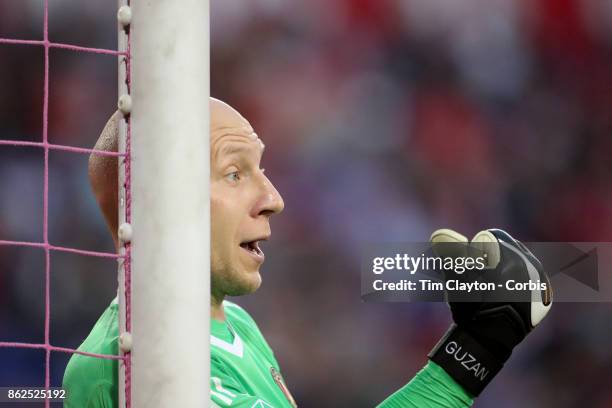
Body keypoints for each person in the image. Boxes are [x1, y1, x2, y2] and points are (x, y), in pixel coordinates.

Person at [63, 98, 552, 407]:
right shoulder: (139, 358)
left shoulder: (235, 327)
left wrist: (474, 350)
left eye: (262, 170)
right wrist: (473, 354)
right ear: (156, 204)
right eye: (236, 174)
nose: (273, 198)